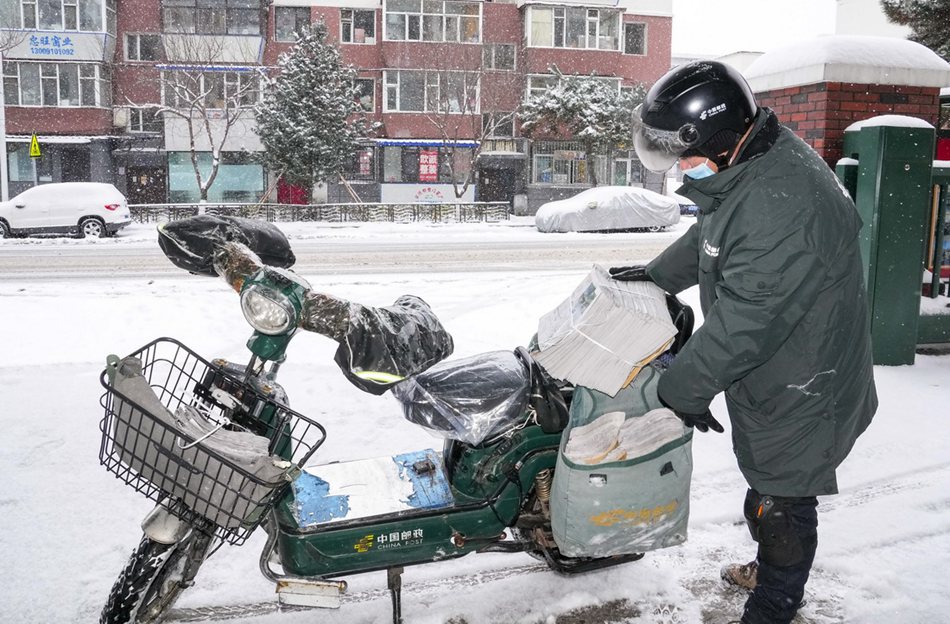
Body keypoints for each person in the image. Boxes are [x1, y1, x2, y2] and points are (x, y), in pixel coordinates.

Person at [610, 61, 877, 624]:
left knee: (784, 499)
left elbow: (746, 322)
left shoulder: (785, 204)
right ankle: (771, 568)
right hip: (775, 365)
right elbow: (713, 232)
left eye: (683, 155)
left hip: (805, 380)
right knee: (764, 480)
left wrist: (680, 391)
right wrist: (658, 275)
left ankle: (774, 603)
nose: (679, 169)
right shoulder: (750, 163)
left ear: (721, 140)